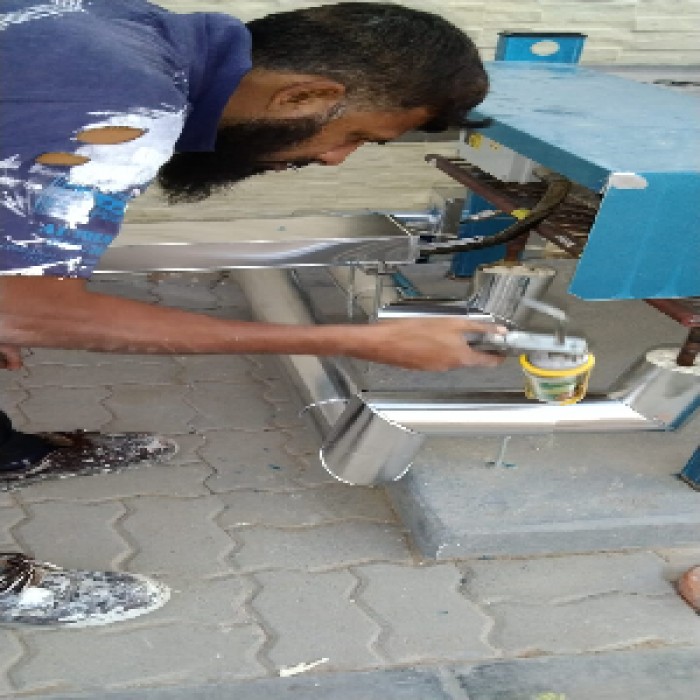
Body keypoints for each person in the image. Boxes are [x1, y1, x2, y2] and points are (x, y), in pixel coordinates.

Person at [0, 0, 503, 627]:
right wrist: (357, 340)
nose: (336, 159)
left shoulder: (115, 30)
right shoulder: (123, 103)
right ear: (303, 95)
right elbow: (19, 308)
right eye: (356, 136)